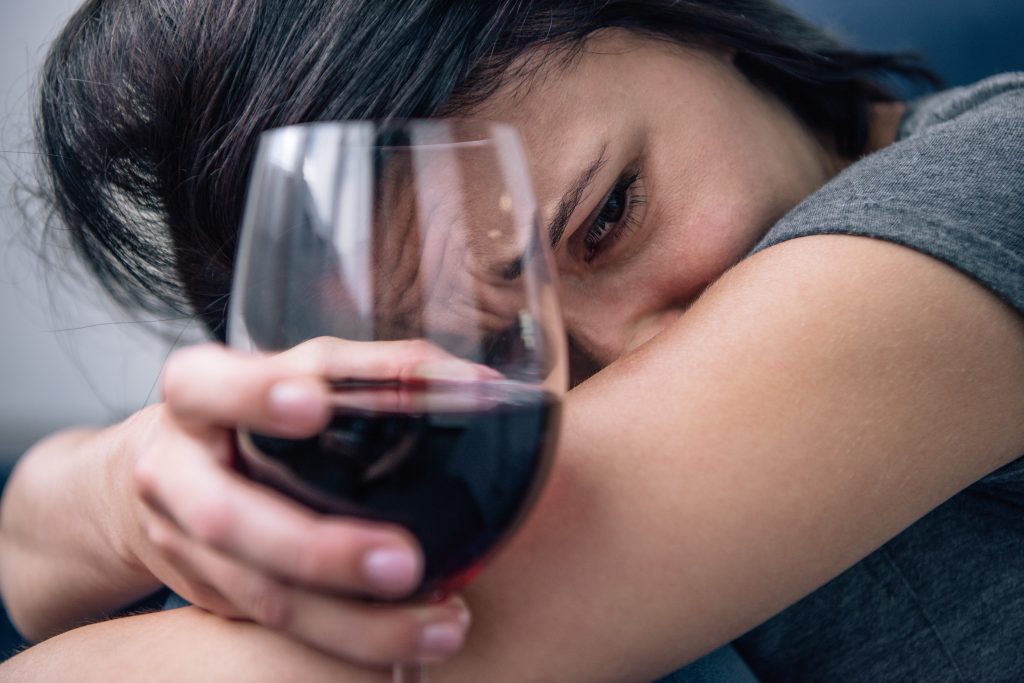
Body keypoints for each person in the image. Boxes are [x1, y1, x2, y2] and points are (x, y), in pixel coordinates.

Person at [1, 1, 1022, 680]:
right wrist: (125, 476)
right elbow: (29, 549)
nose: (610, 368)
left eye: (606, 217)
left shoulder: (996, 176)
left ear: (680, 20)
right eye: (490, 345)